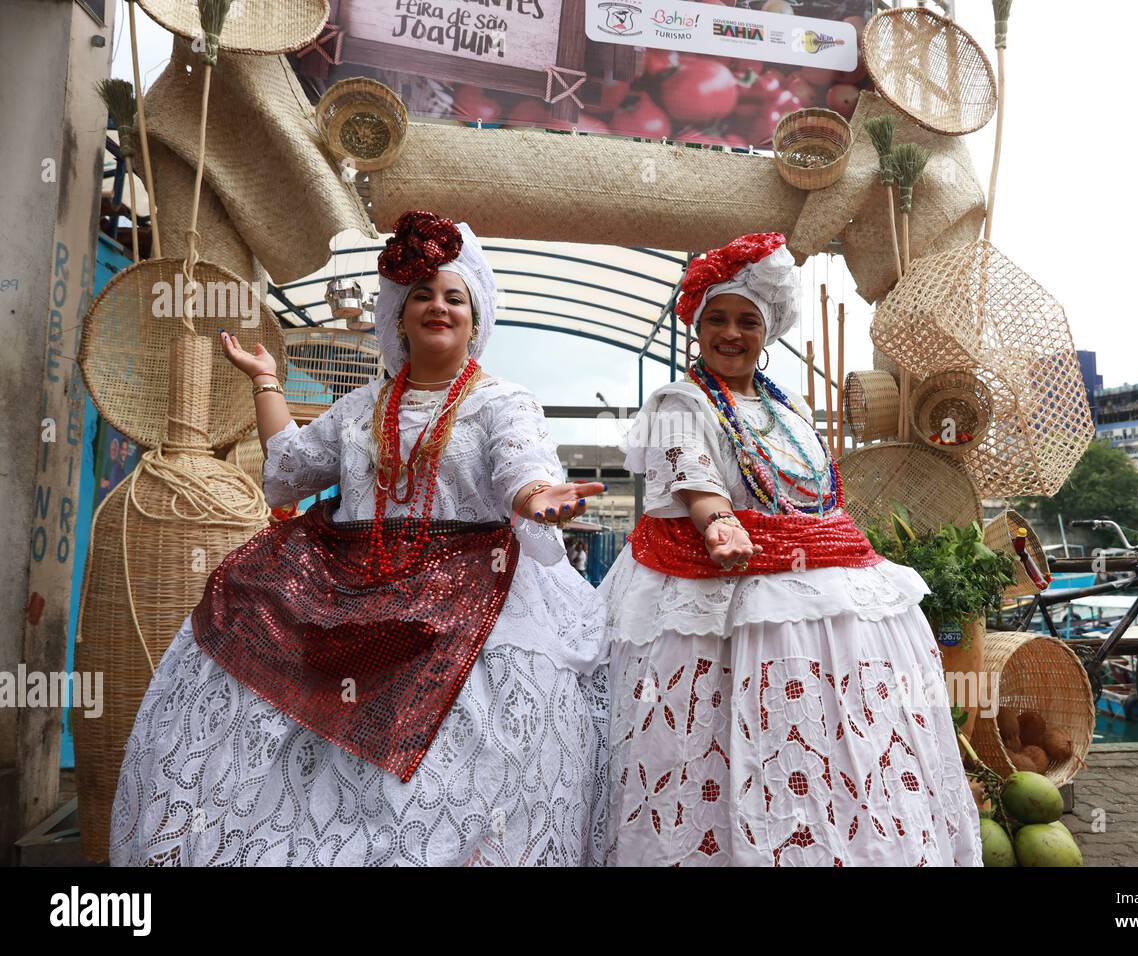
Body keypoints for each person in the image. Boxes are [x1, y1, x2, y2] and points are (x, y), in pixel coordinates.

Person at [110, 211, 610, 866]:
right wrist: (265, 380)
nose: (438, 307)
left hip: (471, 593)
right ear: (397, 314)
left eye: (454, 296)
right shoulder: (360, 406)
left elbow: (522, 465)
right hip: (349, 590)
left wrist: (537, 497)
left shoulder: (502, 402)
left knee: (458, 767)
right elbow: (287, 474)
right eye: (422, 295)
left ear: (476, 316)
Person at [598, 232, 981, 866]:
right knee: (714, 745)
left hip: (816, 577)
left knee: (829, 751)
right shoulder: (678, 402)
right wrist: (718, 522)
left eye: (747, 320)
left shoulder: (789, 403)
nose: (731, 332)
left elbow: (812, 490)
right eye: (716, 318)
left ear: (767, 331)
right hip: (714, 594)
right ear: (695, 326)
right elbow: (692, 472)